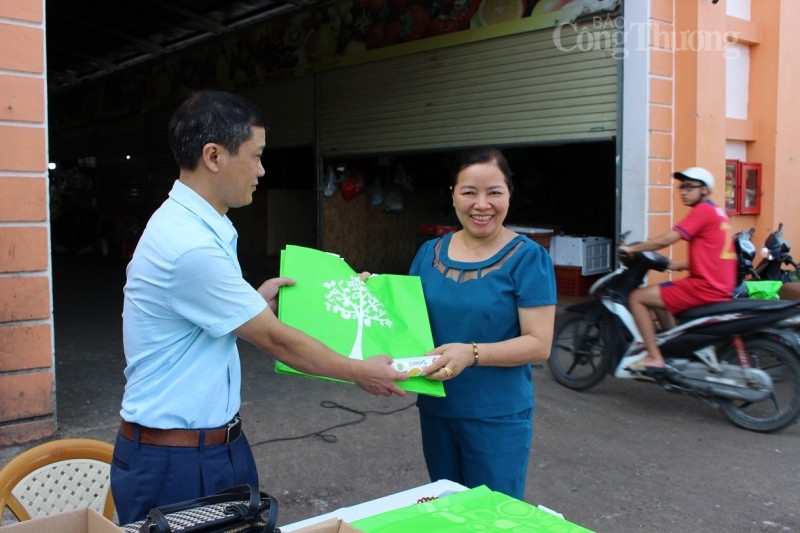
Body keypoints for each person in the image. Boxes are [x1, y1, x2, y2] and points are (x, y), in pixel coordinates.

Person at [110, 90, 408, 525]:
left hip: (212, 447)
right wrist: (360, 370)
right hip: (176, 462)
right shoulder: (188, 243)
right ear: (214, 156)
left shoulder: (204, 225)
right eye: (256, 156)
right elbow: (274, 339)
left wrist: (250, 303)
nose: (262, 170)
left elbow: (214, 318)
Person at [409, 147, 557, 500]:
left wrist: (471, 353)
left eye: (494, 192)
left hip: (497, 415)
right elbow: (405, 319)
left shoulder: (528, 258)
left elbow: (539, 343)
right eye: (469, 192)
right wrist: (367, 293)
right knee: (447, 508)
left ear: (509, 194)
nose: (482, 204)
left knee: (491, 514)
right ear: (453, 195)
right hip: (437, 406)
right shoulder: (428, 253)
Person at [618, 166, 736, 375]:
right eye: (682, 187)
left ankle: (654, 357)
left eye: (690, 187)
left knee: (637, 297)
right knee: (659, 296)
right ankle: (672, 348)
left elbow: (667, 239)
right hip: (718, 285)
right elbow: (713, 255)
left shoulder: (703, 210)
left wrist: (633, 248)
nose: (684, 191)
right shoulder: (718, 212)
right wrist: (676, 265)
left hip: (704, 288)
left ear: (705, 190)